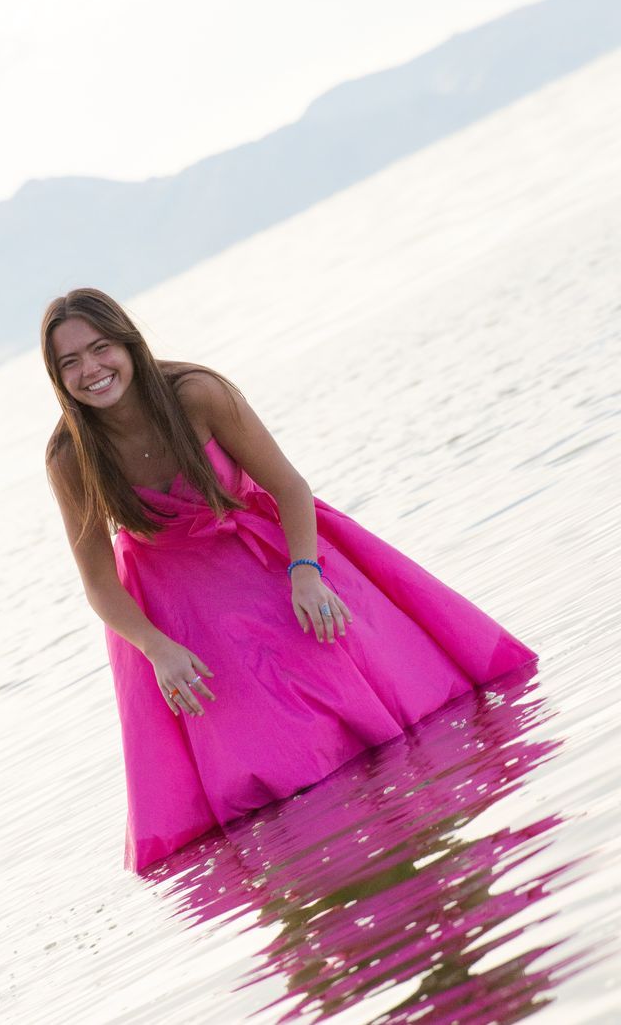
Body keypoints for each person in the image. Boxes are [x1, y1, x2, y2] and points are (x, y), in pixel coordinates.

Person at [41, 288, 537, 872]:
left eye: (100, 349)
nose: (90, 370)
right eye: (70, 362)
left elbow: (289, 486)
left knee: (381, 711)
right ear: (56, 376)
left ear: (128, 344)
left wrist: (306, 573)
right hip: (185, 612)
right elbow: (98, 582)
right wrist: (157, 648)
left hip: (274, 560)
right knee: (269, 775)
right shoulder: (70, 455)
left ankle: (428, 834)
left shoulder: (197, 394)